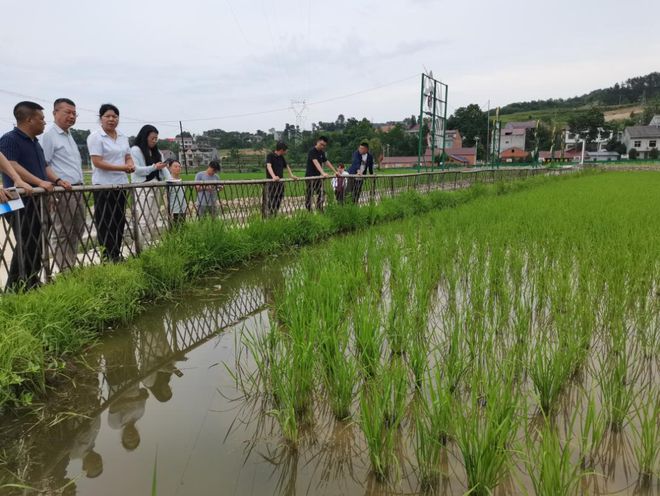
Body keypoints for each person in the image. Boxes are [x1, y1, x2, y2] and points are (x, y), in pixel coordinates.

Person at [0, 101, 66, 290]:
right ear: (29, 119)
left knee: (37, 243)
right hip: (16, 199)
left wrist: (56, 181)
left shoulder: (35, 142)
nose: (44, 122)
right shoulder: (10, 139)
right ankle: (16, 288)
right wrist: (38, 182)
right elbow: (11, 164)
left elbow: (44, 167)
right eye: (42, 118)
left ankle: (31, 281)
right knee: (26, 243)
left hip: (37, 198)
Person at [41, 98, 86, 272]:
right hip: (62, 190)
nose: (72, 116)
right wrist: (57, 181)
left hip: (77, 188)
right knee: (62, 230)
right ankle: (64, 269)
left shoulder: (69, 135)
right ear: (55, 113)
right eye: (67, 112)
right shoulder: (49, 135)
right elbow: (44, 164)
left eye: (74, 113)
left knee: (77, 228)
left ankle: (71, 265)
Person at [87, 104, 135, 262]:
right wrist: (122, 167)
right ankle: (107, 257)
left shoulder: (122, 137)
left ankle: (116, 254)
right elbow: (98, 162)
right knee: (105, 221)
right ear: (100, 118)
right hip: (103, 186)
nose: (111, 119)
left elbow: (127, 155)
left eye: (115, 116)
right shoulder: (96, 137)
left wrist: (129, 163)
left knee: (119, 220)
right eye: (108, 116)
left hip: (120, 184)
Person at [130, 124, 171, 249]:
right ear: (145, 137)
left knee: (153, 218)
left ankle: (146, 247)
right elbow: (136, 170)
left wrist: (171, 180)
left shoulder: (157, 152)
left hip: (156, 185)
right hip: (143, 187)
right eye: (152, 138)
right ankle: (137, 248)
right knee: (143, 218)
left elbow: (164, 169)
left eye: (156, 138)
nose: (154, 141)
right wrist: (153, 167)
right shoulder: (135, 150)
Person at [263, 141, 297, 217]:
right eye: (285, 150)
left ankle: (274, 215)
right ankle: (270, 216)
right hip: (272, 183)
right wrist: (273, 176)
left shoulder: (282, 157)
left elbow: (287, 166)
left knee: (279, 199)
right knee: (272, 200)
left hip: (280, 183)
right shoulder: (270, 155)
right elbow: (269, 166)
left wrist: (291, 175)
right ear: (281, 150)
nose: (286, 152)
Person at [305, 136, 338, 212]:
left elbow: (326, 162)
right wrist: (322, 172)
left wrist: (335, 171)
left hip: (318, 177)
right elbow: (316, 162)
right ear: (317, 142)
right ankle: (308, 209)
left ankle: (319, 207)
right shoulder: (312, 151)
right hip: (310, 176)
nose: (322, 146)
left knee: (322, 192)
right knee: (310, 193)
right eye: (321, 144)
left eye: (324, 145)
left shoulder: (321, 152)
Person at [166, 159, 187, 225]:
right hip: (174, 211)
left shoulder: (181, 180)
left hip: (183, 210)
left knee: (182, 230)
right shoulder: (169, 181)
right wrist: (168, 211)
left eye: (179, 167)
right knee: (175, 231)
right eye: (175, 166)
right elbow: (165, 196)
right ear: (170, 168)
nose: (178, 168)